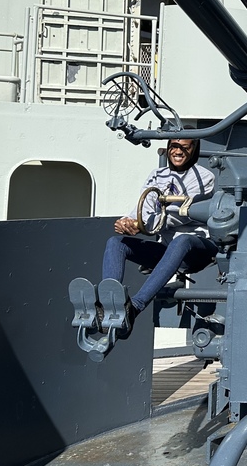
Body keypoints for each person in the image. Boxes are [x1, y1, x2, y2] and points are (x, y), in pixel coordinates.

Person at [70, 138, 217, 346]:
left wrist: (142, 225)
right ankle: (109, 306)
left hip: (198, 247)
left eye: (185, 147)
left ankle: (135, 307)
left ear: (194, 150)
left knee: (182, 240)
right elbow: (145, 206)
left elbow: (182, 215)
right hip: (169, 250)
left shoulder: (204, 178)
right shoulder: (157, 175)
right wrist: (128, 222)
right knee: (116, 242)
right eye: (174, 146)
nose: (178, 151)